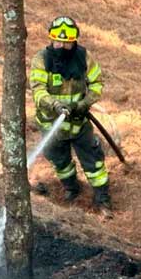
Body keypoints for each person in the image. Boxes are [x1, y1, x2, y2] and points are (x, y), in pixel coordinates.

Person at [29, 15, 111, 215]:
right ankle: (71, 189)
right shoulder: (41, 60)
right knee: (60, 161)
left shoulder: (84, 57)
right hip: (51, 125)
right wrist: (55, 105)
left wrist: (84, 103)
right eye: (57, 41)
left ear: (74, 41)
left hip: (79, 123)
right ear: (51, 39)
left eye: (66, 43)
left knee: (94, 162)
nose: (61, 46)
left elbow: (97, 84)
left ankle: (102, 199)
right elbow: (38, 90)